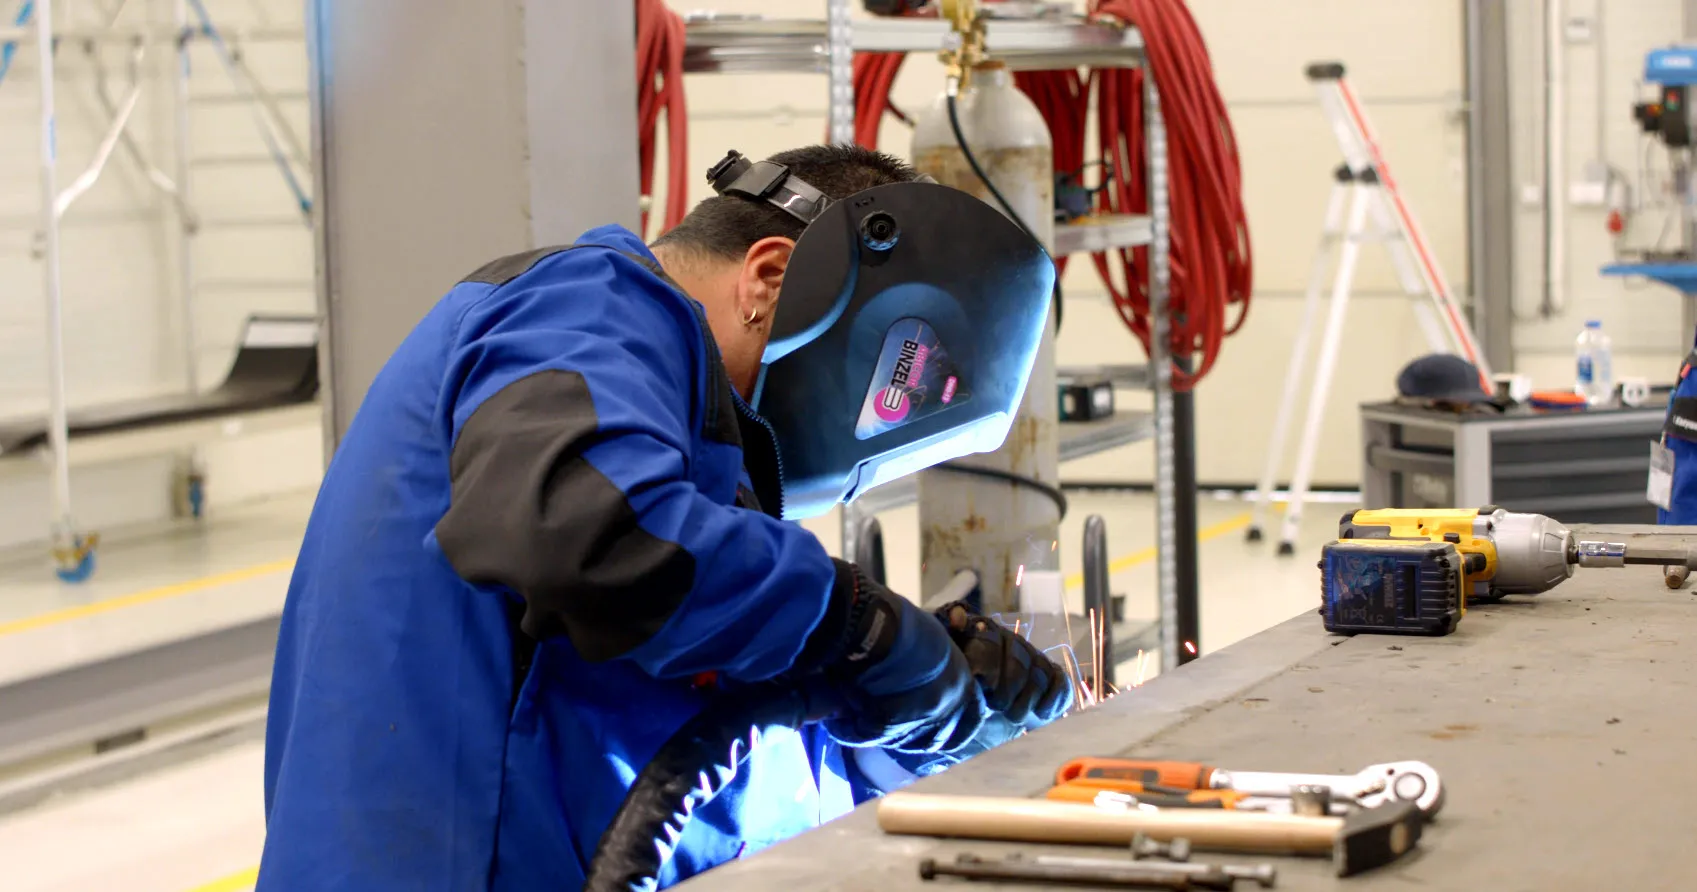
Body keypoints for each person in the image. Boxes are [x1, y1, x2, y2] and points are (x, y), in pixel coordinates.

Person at [258, 144, 1073, 891]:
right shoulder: (581, 307)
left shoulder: (699, 475)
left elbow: (726, 741)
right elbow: (589, 538)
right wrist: (860, 627)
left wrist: (921, 728)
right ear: (768, 278)